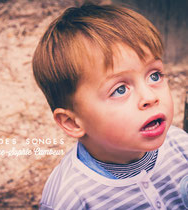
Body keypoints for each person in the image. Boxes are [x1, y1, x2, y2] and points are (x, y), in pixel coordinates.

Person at [32, 3, 188, 210]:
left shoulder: (180, 145)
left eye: (154, 75)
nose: (150, 97)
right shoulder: (70, 197)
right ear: (72, 122)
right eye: (120, 90)